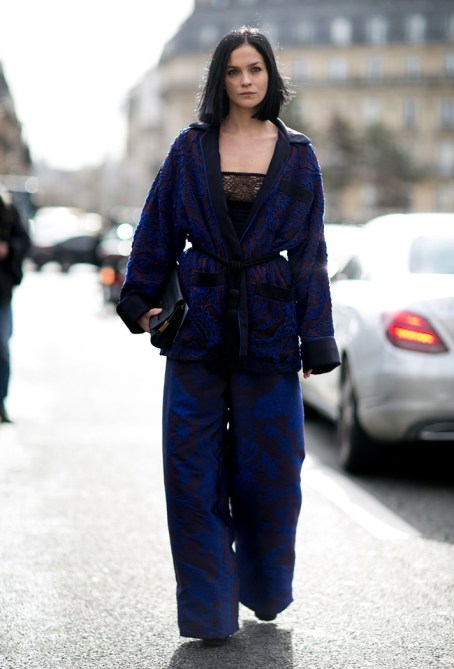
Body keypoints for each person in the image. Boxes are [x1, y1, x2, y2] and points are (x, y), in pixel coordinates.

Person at [117, 27, 340, 646]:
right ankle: (210, 613)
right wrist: (140, 301)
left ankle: (263, 587)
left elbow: (312, 253)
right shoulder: (190, 148)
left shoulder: (300, 155)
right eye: (234, 71)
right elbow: (157, 228)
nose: (245, 80)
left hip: (272, 331)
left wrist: (318, 337)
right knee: (191, 473)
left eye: (255, 69)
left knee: (274, 474)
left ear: (271, 77)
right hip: (197, 329)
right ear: (219, 79)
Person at [0, 187, 30, 424]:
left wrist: (8, 249)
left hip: (1, 293)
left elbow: (24, 241)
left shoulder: (7, 208)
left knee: (1, 349)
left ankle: (0, 402)